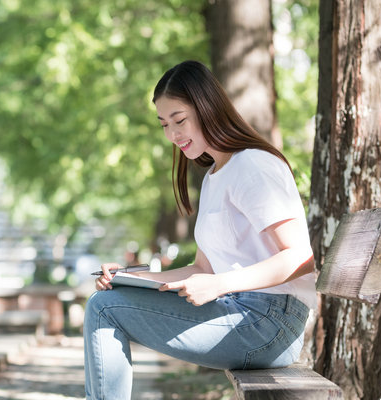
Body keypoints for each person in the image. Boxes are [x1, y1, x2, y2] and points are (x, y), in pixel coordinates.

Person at [83, 60, 317, 400]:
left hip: (269, 324)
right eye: (164, 124)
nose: (172, 134)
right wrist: (128, 279)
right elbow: (202, 270)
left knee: (103, 309)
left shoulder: (252, 164)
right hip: (244, 314)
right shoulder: (214, 175)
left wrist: (220, 284)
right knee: (105, 299)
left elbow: (300, 258)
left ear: (207, 107)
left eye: (179, 120)